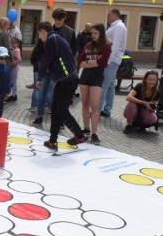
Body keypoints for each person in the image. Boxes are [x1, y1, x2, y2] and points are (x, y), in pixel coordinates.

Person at [36, 22, 86, 150]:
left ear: (43, 31)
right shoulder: (59, 37)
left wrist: (40, 78)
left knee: (62, 111)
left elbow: (46, 60)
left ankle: (79, 136)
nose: (39, 37)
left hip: (67, 81)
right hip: (65, 80)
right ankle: (53, 141)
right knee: (55, 110)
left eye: (39, 34)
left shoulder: (51, 40)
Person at [28, 8, 75, 125]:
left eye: (59, 19)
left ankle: (61, 119)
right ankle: (40, 115)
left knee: (59, 95)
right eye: (55, 19)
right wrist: (41, 65)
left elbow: (71, 51)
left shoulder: (67, 33)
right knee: (43, 91)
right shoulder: (49, 30)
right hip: (49, 68)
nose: (57, 21)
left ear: (64, 18)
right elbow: (39, 51)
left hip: (61, 70)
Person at [77, 23, 111, 144]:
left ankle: (94, 133)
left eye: (96, 33)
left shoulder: (106, 46)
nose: (93, 35)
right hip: (85, 76)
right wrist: (92, 61)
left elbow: (102, 63)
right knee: (85, 103)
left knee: (95, 106)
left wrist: (89, 61)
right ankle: (86, 128)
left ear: (101, 34)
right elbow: (80, 62)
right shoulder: (88, 45)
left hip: (97, 78)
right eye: (92, 33)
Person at [100, 8, 127, 118]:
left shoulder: (119, 27)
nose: (107, 17)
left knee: (104, 84)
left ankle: (97, 109)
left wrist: (108, 60)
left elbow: (115, 46)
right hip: (113, 59)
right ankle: (107, 109)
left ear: (116, 15)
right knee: (110, 85)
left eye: (109, 15)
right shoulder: (116, 26)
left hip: (112, 59)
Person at [6, 35, 21, 102]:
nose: (12, 44)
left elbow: (18, 60)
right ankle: (13, 95)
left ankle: (13, 95)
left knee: (13, 82)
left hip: (14, 68)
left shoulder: (16, 50)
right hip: (13, 68)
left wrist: (11, 65)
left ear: (18, 43)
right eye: (11, 42)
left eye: (14, 43)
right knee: (12, 82)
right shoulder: (14, 49)